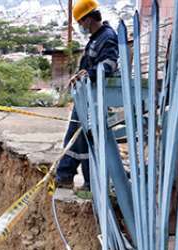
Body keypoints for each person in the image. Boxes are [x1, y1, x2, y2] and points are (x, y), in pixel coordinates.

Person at [55, 0, 120, 191]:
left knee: (78, 138)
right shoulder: (96, 38)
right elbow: (90, 65)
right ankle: (83, 181)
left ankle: (66, 176)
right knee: (83, 138)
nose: (80, 27)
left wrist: (88, 74)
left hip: (94, 97)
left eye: (81, 22)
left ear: (89, 19)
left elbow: (109, 65)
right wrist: (82, 74)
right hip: (87, 95)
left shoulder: (107, 37)